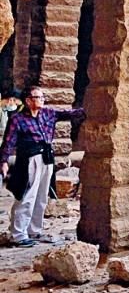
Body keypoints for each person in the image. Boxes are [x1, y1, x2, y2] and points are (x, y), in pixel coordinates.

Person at [0, 87, 85, 247]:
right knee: (27, 196)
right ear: (28, 100)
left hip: (46, 157)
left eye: (42, 97)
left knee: (41, 196)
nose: (42, 100)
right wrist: (3, 161)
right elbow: (9, 141)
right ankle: (18, 234)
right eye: (38, 97)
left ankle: (34, 230)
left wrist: (92, 107)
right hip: (29, 159)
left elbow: (70, 114)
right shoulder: (18, 119)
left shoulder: (48, 114)